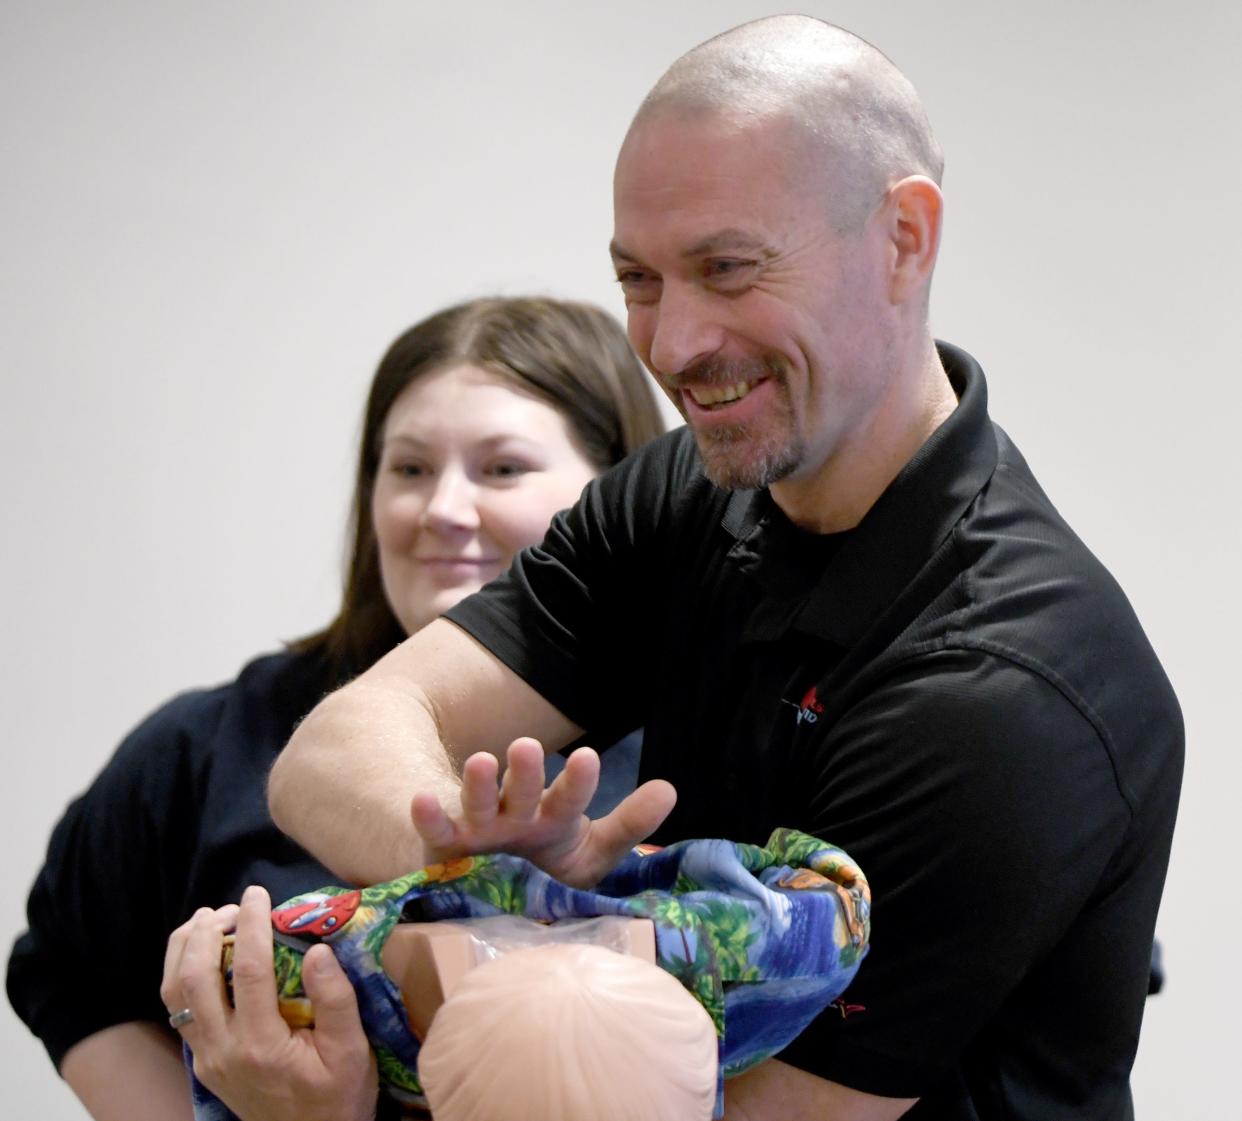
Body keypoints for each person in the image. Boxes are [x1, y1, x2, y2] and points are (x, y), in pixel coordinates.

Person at [183, 15, 1182, 1121]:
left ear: (904, 238)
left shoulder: (1006, 687)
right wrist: (495, 877)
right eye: (639, 278)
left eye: (728, 267)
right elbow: (330, 753)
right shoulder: (690, 496)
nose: (669, 344)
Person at [6, 295, 666, 1121]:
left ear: (620, 495)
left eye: (501, 468)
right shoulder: (215, 740)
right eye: (410, 468)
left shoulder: (698, 738)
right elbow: (64, 969)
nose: (442, 510)